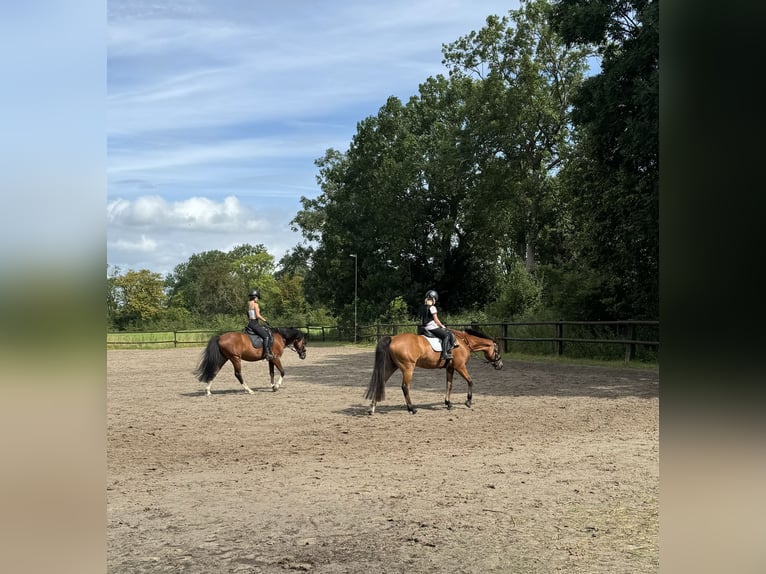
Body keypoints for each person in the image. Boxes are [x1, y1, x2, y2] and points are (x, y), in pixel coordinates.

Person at [418, 289, 457, 362]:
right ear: (433, 299)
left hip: (423, 328)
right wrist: (442, 326)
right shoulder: (432, 307)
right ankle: (444, 354)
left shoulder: (422, 307)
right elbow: (436, 320)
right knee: (446, 335)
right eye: (435, 299)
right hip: (431, 327)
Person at [246, 289, 274, 359]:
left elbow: (248, 314)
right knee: (266, 336)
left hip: (250, 323)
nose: (258, 299)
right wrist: (265, 320)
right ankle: (266, 353)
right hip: (254, 324)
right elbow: (258, 315)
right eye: (257, 297)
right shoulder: (255, 304)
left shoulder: (249, 303)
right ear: (255, 297)